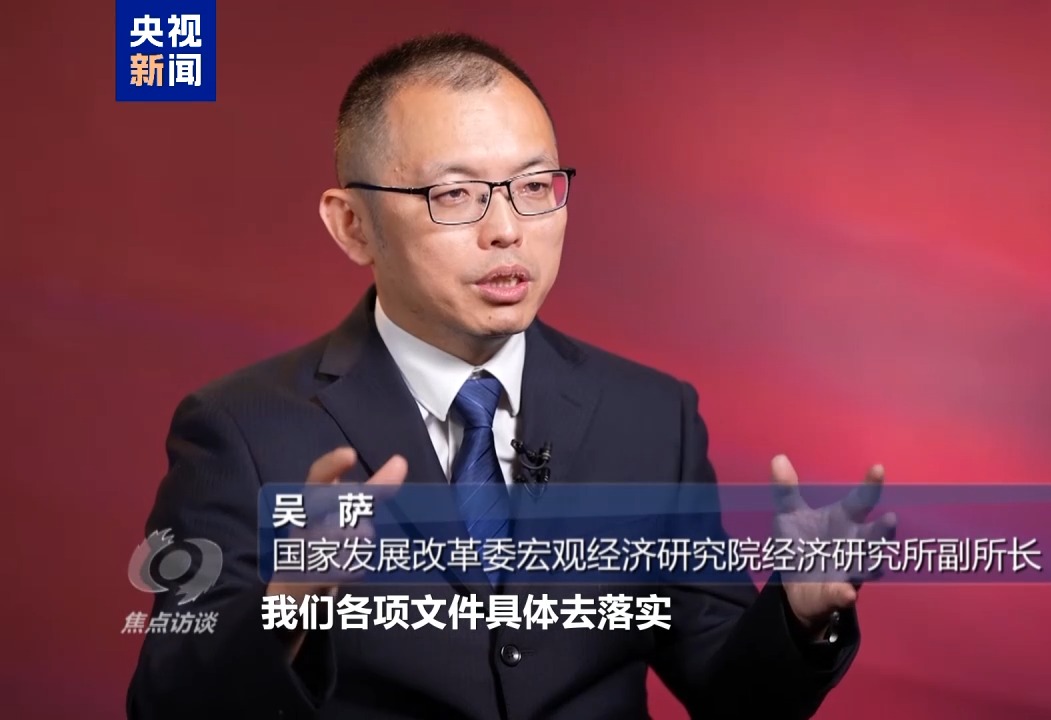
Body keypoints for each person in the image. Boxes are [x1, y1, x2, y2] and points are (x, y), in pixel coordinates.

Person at [126, 32, 894, 720]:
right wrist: (286, 614)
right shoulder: (243, 429)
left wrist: (798, 616)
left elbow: (732, 693)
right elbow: (169, 704)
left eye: (534, 186)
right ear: (352, 225)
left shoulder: (651, 417)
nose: (507, 230)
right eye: (454, 194)